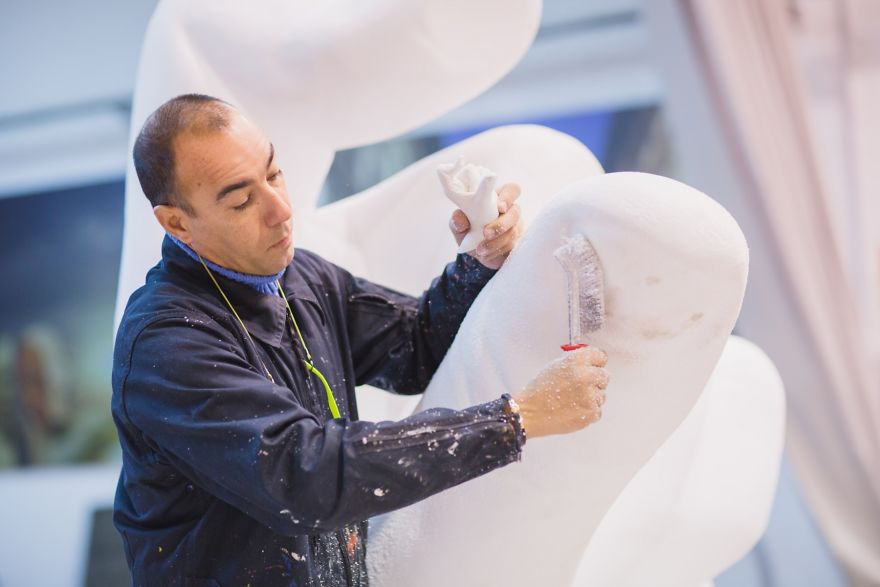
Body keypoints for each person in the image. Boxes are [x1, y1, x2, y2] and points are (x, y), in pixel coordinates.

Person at [111, 94, 609, 586]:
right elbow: (306, 473)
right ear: (177, 223)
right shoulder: (166, 344)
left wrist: (479, 263)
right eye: (242, 200)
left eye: (274, 173)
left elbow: (414, 346)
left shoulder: (302, 278)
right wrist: (515, 420)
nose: (281, 209)